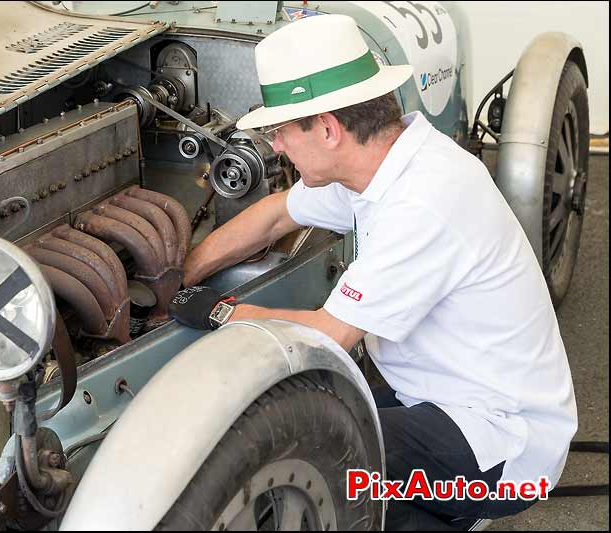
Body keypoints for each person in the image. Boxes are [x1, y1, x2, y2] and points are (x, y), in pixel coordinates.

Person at [168, 14, 578, 530]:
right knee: (321, 415)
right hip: (437, 395)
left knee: (313, 456)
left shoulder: (424, 201)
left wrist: (220, 311)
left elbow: (330, 334)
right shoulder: (386, 159)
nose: (275, 146)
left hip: (502, 443)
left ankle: (445, 511)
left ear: (328, 129)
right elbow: (276, 213)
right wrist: (185, 272)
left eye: (279, 131)